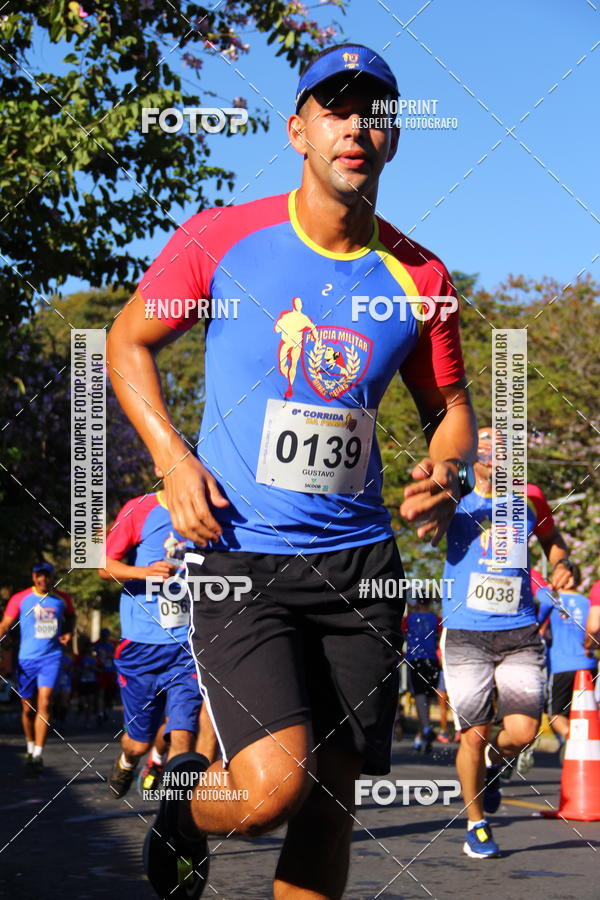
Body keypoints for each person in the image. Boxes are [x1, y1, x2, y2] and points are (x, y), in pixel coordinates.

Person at [107, 42, 477, 900]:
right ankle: (184, 804)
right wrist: (171, 457)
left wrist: (449, 470)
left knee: (329, 803)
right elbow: (126, 342)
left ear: (394, 137)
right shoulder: (221, 237)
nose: (355, 127)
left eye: (373, 113)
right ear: (297, 131)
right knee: (273, 787)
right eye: (333, 109)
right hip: (240, 554)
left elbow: (451, 408)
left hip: (360, 568)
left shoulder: (421, 276)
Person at [440, 427, 581, 858]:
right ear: (471, 456)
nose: (494, 452)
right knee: (473, 735)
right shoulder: (454, 497)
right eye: (484, 445)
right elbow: (425, 520)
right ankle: (476, 824)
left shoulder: (530, 499)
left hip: (519, 630)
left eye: (501, 447)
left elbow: (552, 540)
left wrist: (563, 563)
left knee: (522, 733)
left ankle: (493, 767)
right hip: (466, 630)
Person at [99, 487, 204, 798]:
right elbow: (103, 564)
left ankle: (176, 817)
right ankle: (129, 760)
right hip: (141, 646)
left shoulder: (209, 510)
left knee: (183, 732)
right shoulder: (140, 509)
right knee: (138, 742)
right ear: (161, 469)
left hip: (186, 645)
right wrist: (143, 573)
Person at [0, 561, 75, 774]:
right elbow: (5, 624)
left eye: (46, 576)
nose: (43, 579)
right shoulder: (20, 598)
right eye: (39, 576)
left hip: (51, 658)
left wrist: (68, 632)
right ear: (34, 577)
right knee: (27, 709)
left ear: (51, 577)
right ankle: (30, 746)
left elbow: (71, 616)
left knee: (46, 702)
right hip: (26, 659)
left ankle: (37, 755)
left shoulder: (62, 599)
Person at [537, 581, 600, 752]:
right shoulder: (587, 602)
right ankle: (587, 744)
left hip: (561, 666)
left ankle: (575, 742)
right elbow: (595, 629)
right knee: (587, 711)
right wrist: (589, 646)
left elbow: (537, 625)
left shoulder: (550, 599)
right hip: (588, 665)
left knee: (555, 715)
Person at [403, 597, 441, 752]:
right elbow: (440, 638)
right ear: (430, 602)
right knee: (427, 700)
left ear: (417, 602)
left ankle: (425, 729)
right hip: (432, 660)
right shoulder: (436, 620)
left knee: (419, 696)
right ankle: (421, 737)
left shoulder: (409, 619)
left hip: (415, 658)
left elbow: (402, 634)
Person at [74, 635, 99, 728]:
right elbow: (75, 669)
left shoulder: (95, 659)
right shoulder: (80, 658)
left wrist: (94, 668)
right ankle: (82, 712)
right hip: (82, 681)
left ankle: (88, 719)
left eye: (90, 648)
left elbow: (101, 669)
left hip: (92, 681)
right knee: (83, 702)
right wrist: (81, 669)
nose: (89, 649)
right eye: (88, 648)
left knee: (90, 701)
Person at [93, 627, 117, 723]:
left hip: (111, 671)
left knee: (110, 693)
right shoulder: (96, 645)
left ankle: (106, 709)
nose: (104, 638)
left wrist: (112, 656)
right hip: (101, 672)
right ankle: (100, 713)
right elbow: (92, 657)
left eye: (106, 636)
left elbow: (117, 657)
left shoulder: (112, 645)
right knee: (100, 693)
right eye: (103, 636)